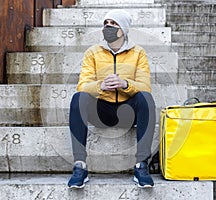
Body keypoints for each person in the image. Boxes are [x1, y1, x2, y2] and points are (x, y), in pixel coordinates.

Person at [67, 9, 156, 189]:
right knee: (78, 98)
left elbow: (145, 86)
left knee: (146, 98)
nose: (108, 26)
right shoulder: (93, 53)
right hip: (101, 110)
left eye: (114, 23)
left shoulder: (138, 53)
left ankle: (141, 165)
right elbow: (83, 85)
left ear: (123, 29)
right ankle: (80, 166)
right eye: (106, 23)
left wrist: (125, 84)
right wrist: (100, 86)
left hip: (128, 112)